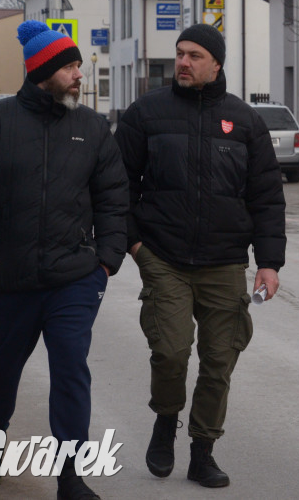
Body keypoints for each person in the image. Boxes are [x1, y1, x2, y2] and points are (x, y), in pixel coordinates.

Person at [114, 24, 286, 489]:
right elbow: (116, 188)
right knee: (170, 352)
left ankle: (203, 451)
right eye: (179, 54)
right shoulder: (146, 114)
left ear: (216, 64)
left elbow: (266, 198)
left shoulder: (245, 121)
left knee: (219, 361)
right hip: (163, 258)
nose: (183, 63)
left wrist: (268, 262)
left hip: (225, 261)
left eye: (194, 55)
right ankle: (165, 421)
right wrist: (135, 247)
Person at [0, 20, 127, 499]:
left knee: (71, 367)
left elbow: (114, 197)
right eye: (71, 67)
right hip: (7, 276)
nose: (79, 75)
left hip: (73, 276)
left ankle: (71, 478)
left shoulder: (92, 128)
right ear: (45, 71)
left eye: (78, 65)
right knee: (0, 370)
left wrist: (107, 261)